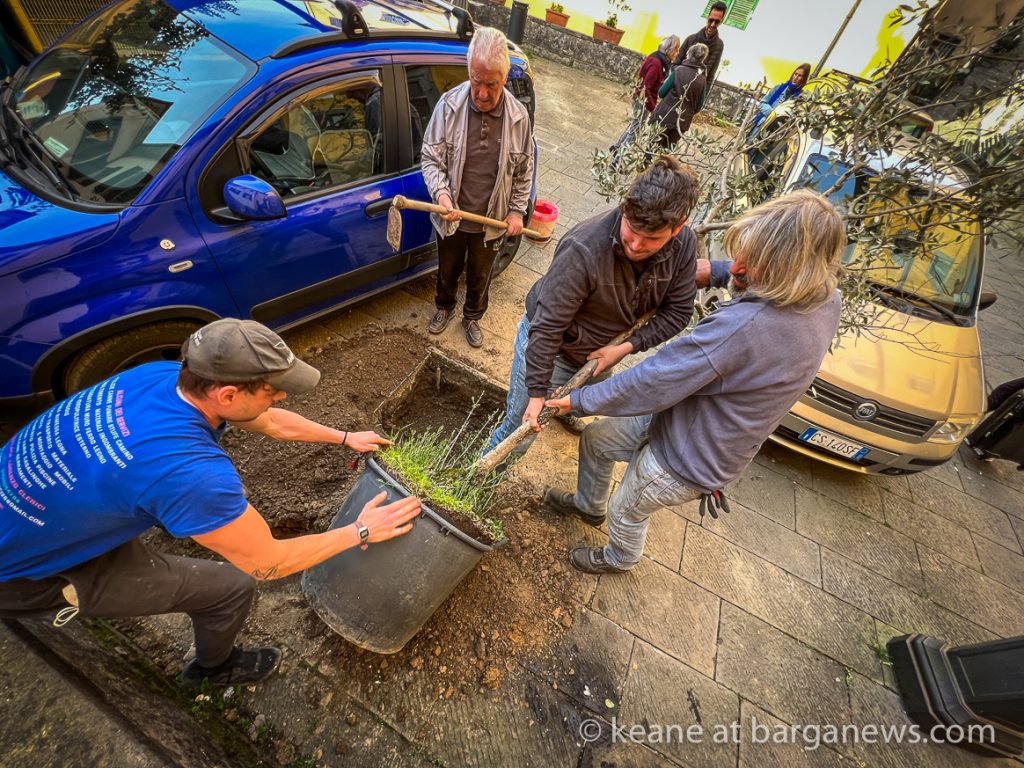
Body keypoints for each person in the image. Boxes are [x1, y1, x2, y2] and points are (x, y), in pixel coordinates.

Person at [0, 319, 421, 685]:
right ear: (227, 395)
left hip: (45, 502)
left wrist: (345, 438)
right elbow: (266, 562)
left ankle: (169, 525)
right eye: (273, 389)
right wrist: (362, 530)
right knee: (230, 587)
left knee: (169, 505)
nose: (282, 397)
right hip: (27, 572)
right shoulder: (193, 477)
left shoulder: (161, 377)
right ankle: (214, 669)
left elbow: (271, 421)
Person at [544, 190, 844, 574]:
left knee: (627, 509)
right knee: (598, 441)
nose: (737, 267)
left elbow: (654, 380)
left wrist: (579, 400)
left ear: (783, 269)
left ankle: (619, 558)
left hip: (691, 457)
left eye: (751, 263)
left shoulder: (744, 330)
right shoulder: (825, 297)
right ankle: (588, 507)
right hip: (679, 412)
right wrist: (716, 272)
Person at [483, 155, 701, 454]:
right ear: (625, 210)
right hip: (555, 349)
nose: (636, 245)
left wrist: (625, 348)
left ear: (677, 229)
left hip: (604, 351)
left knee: (580, 405)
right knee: (519, 432)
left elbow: (678, 312)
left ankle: (568, 411)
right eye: (631, 230)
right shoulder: (584, 249)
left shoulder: (684, 244)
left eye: (651, 238)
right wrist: (536, 394)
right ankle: (473, 487)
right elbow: (547, 328)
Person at [420, 26, 534, 349]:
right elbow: (430, 158)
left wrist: (516, 211)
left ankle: (472, 316)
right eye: (476, 81)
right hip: (452, 216)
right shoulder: (449, 107)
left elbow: (524, 170)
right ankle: (444, 307)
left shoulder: (518, 118)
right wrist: (442, 194)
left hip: (492, 222)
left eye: (491, 85)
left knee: (480, 278)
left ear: (506, 76)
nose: (482, 93)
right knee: (447, 270)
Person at [609, 35, 681, 157]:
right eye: (676, 49)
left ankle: (616, 148)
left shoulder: (660, 59)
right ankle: (617, 161)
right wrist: (652, 107)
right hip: (642, 100)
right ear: (669, 49)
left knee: (635, 127)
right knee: (635, 131)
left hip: (643, 99)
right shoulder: (657, 63)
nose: (677, 53)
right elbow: (645, 87)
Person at [670, 1, 727, 112]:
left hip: (691, 101)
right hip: (674, 94)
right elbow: (674, 65)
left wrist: (699, 104)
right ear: (707, 17)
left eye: (717, 21)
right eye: (711, 20)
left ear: (722, 21)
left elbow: (710, 77)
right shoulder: (690, 39)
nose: (712, 25)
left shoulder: (719, 45)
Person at [650, 43, 708, 148]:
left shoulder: (678, 71)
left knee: (652, 148)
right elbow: (699, 106)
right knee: (667, 154)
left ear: (689, 55)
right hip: (682, 123)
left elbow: (661, 92)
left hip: (665, 116)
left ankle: (645, 164)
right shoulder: (702, 79)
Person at [749, 63, 811, 134]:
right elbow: (762, 102)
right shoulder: (779, 87)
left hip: (776, 132)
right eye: (795, 74)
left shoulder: (800, 97)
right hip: (761, 125)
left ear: (803, 79)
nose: (796, 77)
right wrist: (773, 114)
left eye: (800, 76)